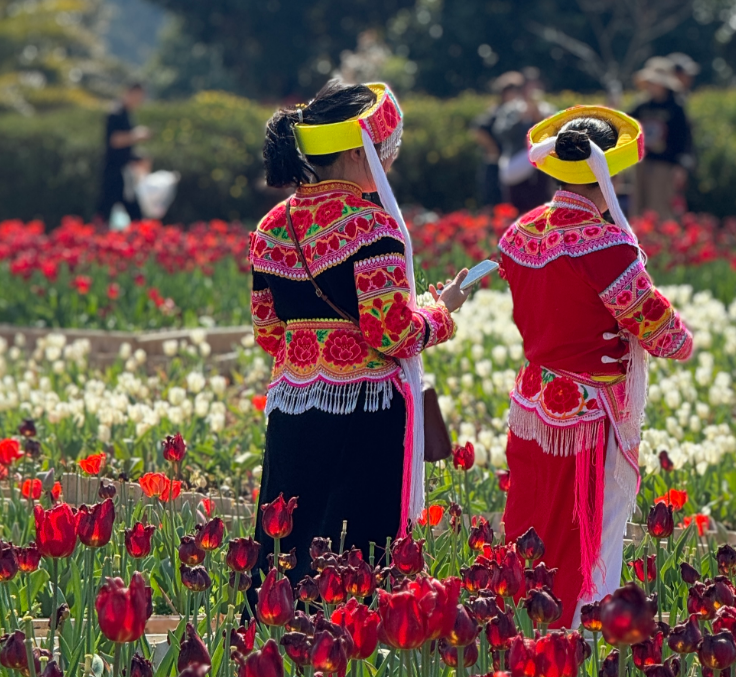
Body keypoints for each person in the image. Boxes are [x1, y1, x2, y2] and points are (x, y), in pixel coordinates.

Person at [249, 80, 470, 587]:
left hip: (293, 405)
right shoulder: (373, 227)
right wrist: (442, 312)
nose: (389, 160)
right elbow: (392, 335)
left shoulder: (271, 226)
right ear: (355, 152)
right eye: (384, 149)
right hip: (365, 411)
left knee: (288, 543)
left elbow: (267, 329)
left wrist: (313, 351)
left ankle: (274, 626)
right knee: (355, 548)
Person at [499, 106, 694, 627]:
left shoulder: (519, 233)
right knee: (584, 534)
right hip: (590, 414)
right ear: (611, 170)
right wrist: (683, 338)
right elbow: (661, 332)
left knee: (531, 522)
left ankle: (518, 630)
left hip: (533, 400)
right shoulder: (604, 245)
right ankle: (573, 638)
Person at [628, 58, 694, 220]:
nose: (651, 86)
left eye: (654, 82)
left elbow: (684, 139)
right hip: (642, 163)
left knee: (660, 209)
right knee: (638, 207)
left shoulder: (675, 108)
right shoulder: (642, 106)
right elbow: (627, 124)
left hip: (665, 166)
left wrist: (681, 166)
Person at [492, 67, 555, 212]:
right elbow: (501, 133)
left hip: (542, 175)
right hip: (516, 167)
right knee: (516, 211)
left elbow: (556, 135)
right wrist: (519, 119)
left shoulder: (548, 109)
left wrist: (539, 119)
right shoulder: (511, 109)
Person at [98, 83, 150, 223]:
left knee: (132, 210)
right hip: (113, 171)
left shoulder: (127, 113)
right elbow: (114, 140)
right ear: (129, 93)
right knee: (105, 211)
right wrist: (136, 135)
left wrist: (138, 158)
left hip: (125, 170)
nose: (138, 101)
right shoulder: (116, 112)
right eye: (137, 97)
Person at [473, 71, 524, 206]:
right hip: (496, 166)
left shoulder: (520, 111)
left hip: (514, 164)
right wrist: (493, 149)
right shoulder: (498, 111)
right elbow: (478, 129)